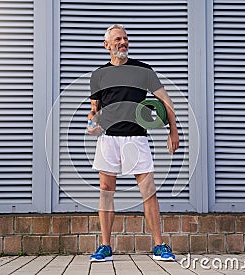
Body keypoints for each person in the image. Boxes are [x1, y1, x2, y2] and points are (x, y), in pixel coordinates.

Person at [87, 24, 180, 262]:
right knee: (106, 191)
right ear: (106, 45)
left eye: (126, 38)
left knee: (148, 192)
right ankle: (105, 246)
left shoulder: (143, 71)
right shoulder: (98, 75)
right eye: (117, 39)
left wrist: (173, 132)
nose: (123, 42)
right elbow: (95, 111)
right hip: (108, 139)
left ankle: (159, 245)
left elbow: (167, 102)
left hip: (136, 138)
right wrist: (92, 124)